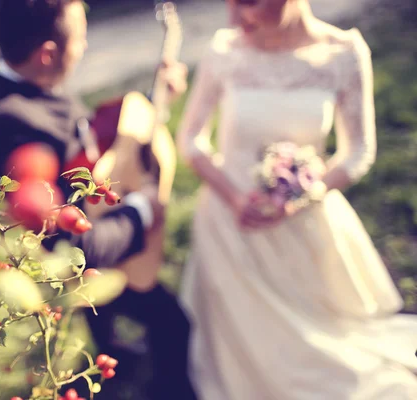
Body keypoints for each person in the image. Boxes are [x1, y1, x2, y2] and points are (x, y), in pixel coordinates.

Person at [176, 0, 417, 399]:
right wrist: (235, 198)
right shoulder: (225, 51)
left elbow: (359, 152)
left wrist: (305, 193)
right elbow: (190, 140)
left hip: (305, 220)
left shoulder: (343, 53)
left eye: (248, 3)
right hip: (231, 223)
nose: (235, 18)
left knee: (333, 349)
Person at [0, 1, 196, 399]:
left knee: (126, 350)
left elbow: (88, 155)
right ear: (47, 53)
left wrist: (154, 103)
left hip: (102, 243)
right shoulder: (19, 125)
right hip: (87, 269)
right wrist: (144, 209)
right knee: (172, 330)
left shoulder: (18, 86)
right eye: (79, 37)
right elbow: (73, 246)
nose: (83, 46)